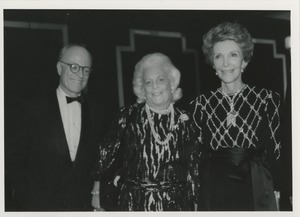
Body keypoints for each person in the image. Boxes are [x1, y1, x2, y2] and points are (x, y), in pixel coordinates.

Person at [190, 22, 282, 211]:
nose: (225, 63)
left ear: (244, 60)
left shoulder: (267, 99)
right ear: (212, 63)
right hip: (214, 188)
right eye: (218, 56)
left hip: (257, 186)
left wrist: (278, 191)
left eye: (233, 55)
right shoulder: (200, 104)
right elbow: (195, 157)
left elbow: (277, 151)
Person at [91, 53, 200, 211]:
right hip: (134, 203)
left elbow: (194, 166)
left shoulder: (186, 120)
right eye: (148, 82)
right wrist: (96, 193)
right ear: (142, 88)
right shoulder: (128, 116)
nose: (154, 86)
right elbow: (106, 154)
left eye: (160, 79)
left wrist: (197, 202)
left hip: (175, 205)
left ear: (172, 82)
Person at [6, 44, 105, 211]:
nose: (80, 75)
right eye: (74, 67)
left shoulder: (98, 112)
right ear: (60, 68)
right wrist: (29, 201)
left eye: (86, 70)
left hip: (83, 208)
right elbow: (13, 160)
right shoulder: (32, 108)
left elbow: (101, 162)